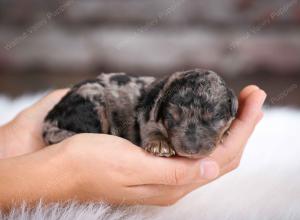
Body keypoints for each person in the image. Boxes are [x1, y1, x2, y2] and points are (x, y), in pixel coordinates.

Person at [0, 85, 266, 210]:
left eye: (213, 122)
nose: (193, 140)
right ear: (161, 109)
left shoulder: (172, 98)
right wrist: (62, 170)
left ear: (231, 111)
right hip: (88, 105)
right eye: (176, 119)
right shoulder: (151, 108)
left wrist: (13, 140)